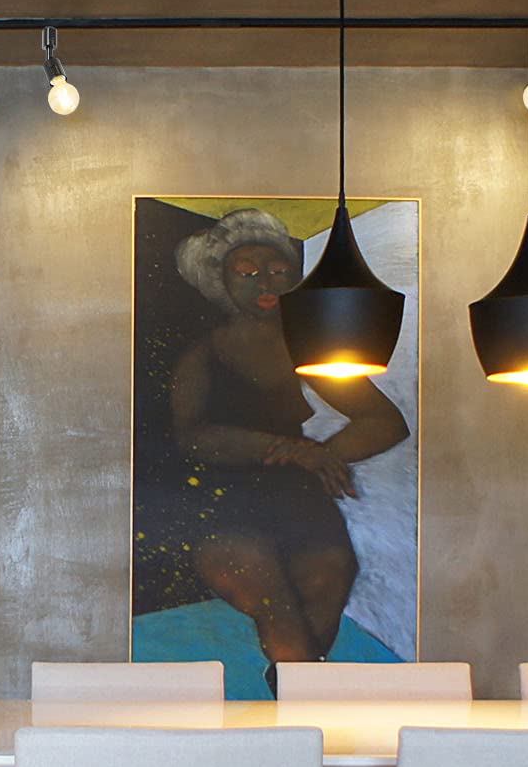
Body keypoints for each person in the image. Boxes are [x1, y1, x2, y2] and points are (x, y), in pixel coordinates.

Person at [168, 208, 409, 675]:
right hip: (224, 499)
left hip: (298, 498)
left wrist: (321, 455)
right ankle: (303, 706)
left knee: (331, 576)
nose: (265, 283)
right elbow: (193, 436)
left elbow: (384, 421)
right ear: (221, 282)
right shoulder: (203, 355)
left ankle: (293, 698)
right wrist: (287, 451)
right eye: (247, 273)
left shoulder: (308, 349)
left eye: (278, 271)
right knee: (274, 600)